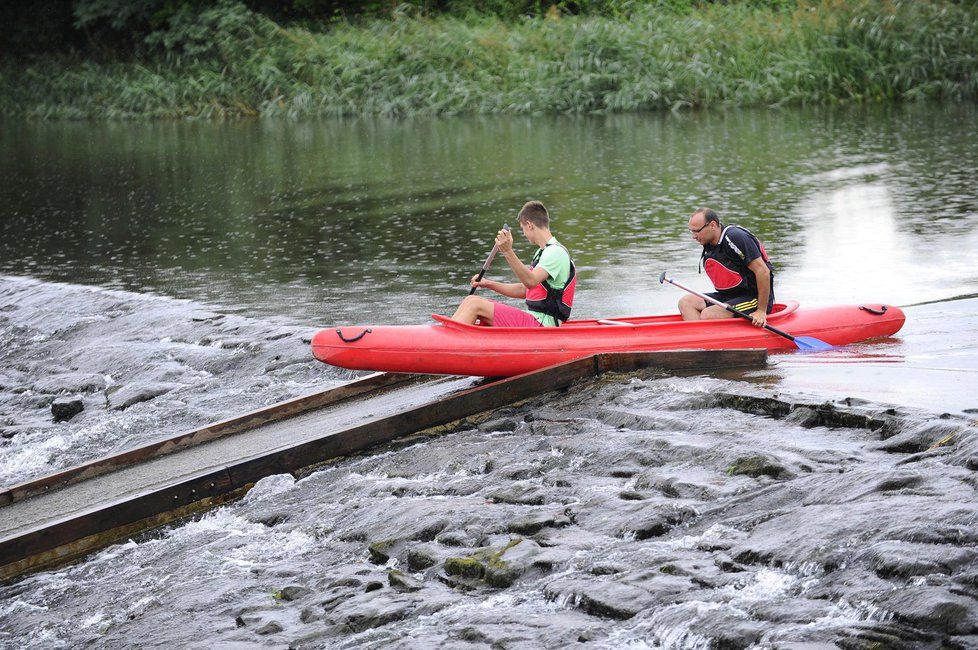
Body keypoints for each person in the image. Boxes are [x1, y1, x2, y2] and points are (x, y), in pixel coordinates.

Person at [452, 200, 576, 327]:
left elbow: (530, 281)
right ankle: (446, 334)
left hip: (542, 324)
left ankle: (447, 340)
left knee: (475, 304)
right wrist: (488, 283)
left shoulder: (555, 252)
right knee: (470, 300)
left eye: (522, 228)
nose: (523, 233)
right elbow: (525, 289)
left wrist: (508, 251)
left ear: (529, 225)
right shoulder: (542, 252)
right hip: (535, 320)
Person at [679, 207, 774, 327]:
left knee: (707, 315)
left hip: (753, 297)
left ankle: (705, 337)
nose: (694, 236)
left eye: (697, 231)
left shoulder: (735, 237)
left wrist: (761, 311)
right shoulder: (709, 244)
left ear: (712, 225)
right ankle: (701, 340)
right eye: (691, 231)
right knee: (686, 302)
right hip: (729, 297)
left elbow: (763, 271)